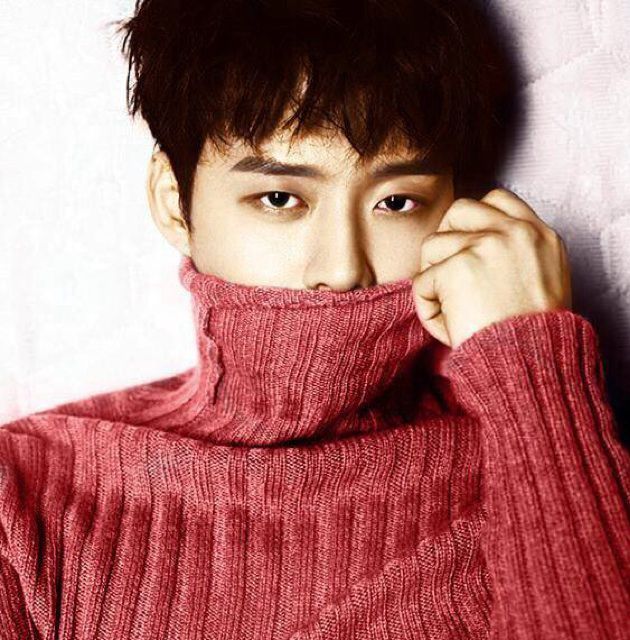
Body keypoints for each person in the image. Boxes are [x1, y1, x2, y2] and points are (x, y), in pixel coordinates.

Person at [1, 1, 628, 638]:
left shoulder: (553, 458)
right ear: (173, 204)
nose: (342, 268)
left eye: (397, 202)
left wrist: (533, 371)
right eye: (280, 198)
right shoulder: (24, 496)